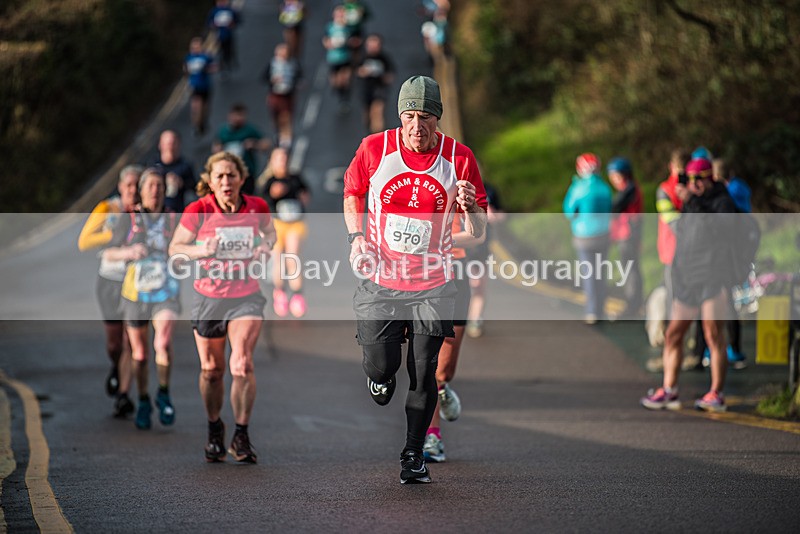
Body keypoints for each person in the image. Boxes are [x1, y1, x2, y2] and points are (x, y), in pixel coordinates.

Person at [343, 75, 488, 484]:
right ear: (399, 116)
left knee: (425, 372)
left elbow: (479, 232)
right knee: (382, 366)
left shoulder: (459, 159)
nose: (416, 126)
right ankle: (380, 376)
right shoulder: (375, 148)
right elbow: (352, 191)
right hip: (382, 278)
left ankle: (414, 453)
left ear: (437, 119)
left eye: (425, 116)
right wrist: (356, 238)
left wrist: (471, 206)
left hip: (434, 282)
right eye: (409, 115)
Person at [169, 151, 276, 464]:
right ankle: (215, 426)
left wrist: (265, 248)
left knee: (241, 363)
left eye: (231, 175)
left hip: (246, 295)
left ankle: (241, 434)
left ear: (242, 178)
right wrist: (201, 249)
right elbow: (176, 248)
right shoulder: (199, 209)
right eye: (220, 176)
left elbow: (270, 233)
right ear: (210, 182)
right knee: (212, 371)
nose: (226, 181)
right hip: (209, 298)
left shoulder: (257, 206)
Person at [641, 157, 738, 413]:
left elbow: (717, 232)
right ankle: (669, 390)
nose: (694, 185)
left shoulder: (723, 203)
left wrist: (692, 201)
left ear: (710, 178)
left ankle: (716, 393)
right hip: (688, 278)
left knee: (713, 335)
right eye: (690, 180)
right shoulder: (690, 203)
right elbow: (684, 234)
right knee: (674, 334)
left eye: (699, 179)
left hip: (712, 279)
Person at [102, 168, 181, 430]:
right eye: (150, 186)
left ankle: (164, 392)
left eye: (159, 186)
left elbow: (188, 248)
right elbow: (107, 253)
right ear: (142, 190)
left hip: (166, 291)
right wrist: (129, 251)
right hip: (135, 293)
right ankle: (144, 398)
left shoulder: (173, 218)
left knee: (164, 340)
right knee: (140, 353)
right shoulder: (128, 218)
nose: (155, 191)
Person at [78, 165, 140, 418]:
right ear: (121, 187)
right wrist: (110, 234)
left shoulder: (146, 211)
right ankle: (116, 366)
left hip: (136, 283)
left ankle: (124, 395)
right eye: (129, 186)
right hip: (110, 281)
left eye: (138, 185)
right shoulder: (108, 208)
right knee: (115, 344)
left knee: (131, 341)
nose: (134, 190)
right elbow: (84, 242)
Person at [422, 214, 485, 464]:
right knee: (423, 359)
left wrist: (434, 240)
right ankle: (431, 436)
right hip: (414, 272)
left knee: (443, 371)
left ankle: (442, 387)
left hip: (454, 270)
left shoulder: (463, 182)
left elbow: (479, 234)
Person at [694, 157, 752, 369]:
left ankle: (719, 349)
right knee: (728, 304)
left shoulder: (727, 197)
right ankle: (732, 350)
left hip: (725, 258)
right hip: (738, 251)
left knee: (722, 305)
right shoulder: (740, 189)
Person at [563, 153, 612, 324]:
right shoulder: (605, 187)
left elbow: (569, 211)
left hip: (584, 236)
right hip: (604, 235)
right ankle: (601, 308)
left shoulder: (578, 188)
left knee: (589, 274)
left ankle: (592, 311)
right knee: (600, 272)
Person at [264, 147, 310, 318]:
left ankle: (297, 295)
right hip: (277, 224)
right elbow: (263, 203)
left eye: (284, 159)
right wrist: (273, 194)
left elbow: (306, 192)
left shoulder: (295, 178)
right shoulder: (269, 181)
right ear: (272, 162)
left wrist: (302, 198)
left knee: (292, 257)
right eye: (278, 159)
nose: (282, 162)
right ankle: (280, 292)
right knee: (278, 260)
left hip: (295, 224)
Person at [465, 182, 505, 338]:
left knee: (478, 285)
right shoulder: (452, 184)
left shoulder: (489, 189)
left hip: (481, 246)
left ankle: (474, 320)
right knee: (462, 285)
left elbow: (501, 214)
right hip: (458, 244)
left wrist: (494, 215)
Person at [608, 157, 643, 317]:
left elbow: (614, 208)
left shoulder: (629, 190)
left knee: (630, 270)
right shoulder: (628, 188)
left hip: (628, 236)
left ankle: (632, 305)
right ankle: (634, 303)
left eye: (615, 175)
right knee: (630, 269)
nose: (613, 180)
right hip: (627, 234)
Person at [212, 103, 271, 195]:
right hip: (229, 171)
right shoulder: (223, 131)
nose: (239, 119)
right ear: (230, 116)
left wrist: (254, 144)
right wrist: (219, 150)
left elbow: (266, 144)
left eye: (242, 116)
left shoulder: (249, 130)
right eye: (237, 115)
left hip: (247, 172)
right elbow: (216, 146)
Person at [263, 43, 302, 149]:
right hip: (275, 94)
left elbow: (299, 76)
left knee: (285, 116)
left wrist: (297, 84)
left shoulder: (293, 64)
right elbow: (263, 77)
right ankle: (278, 134)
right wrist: (272, 80)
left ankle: (286, 139)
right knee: (275, 116)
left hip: (287, 94)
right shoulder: (272, 64)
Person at [356, 34, 394, 134]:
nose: (373, 48)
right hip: (366, 89)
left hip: (379, 89)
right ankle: (370, 132)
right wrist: (365, 72)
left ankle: (379, 137)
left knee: (378, 113)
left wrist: (382, 75)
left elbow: (390, 75)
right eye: (371, 45)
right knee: (367, 115)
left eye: (376, 45)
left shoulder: (384, 59)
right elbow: (357, 71)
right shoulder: (363, 57)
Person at [323, 5, 358, 113]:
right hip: (334, 58)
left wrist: (349, 42)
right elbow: (325, 40)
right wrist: (330, 44)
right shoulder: (330, 27)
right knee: (336, 82)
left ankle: (345, 100)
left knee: (346, 80)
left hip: (345, 57)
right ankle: (339, 94)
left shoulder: (348, 27)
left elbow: (355, 40)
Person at [152, 130, 196, 213]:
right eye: (167, 144)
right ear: (160, 145)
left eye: (173, 143)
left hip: (178, 211)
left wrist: (182, 183)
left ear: (179, 145)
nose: (170, 147)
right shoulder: (152, 166)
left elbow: (195, 189)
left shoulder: (185, 166)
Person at [184, 37, 216, 137]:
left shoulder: (205, 57)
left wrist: (207, 69)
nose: (195, 48)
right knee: (195, 107)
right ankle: (196, 126)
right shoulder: (188, 58)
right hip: (194, 86)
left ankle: (203, 122)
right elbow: (185, 69)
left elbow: (214, 67)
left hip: (205, 85)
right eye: (193, 47)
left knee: (205, 107)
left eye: (197, 46)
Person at [207, 0, 239, 72]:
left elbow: (237, 20)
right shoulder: (214, 11)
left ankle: (229, 62)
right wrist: (213, 25)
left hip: (228, 34)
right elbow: (209, 22)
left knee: (229, 49)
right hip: (219, 35)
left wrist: (232, 24)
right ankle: (222, 64)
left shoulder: (230, 10)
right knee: (220, 50)